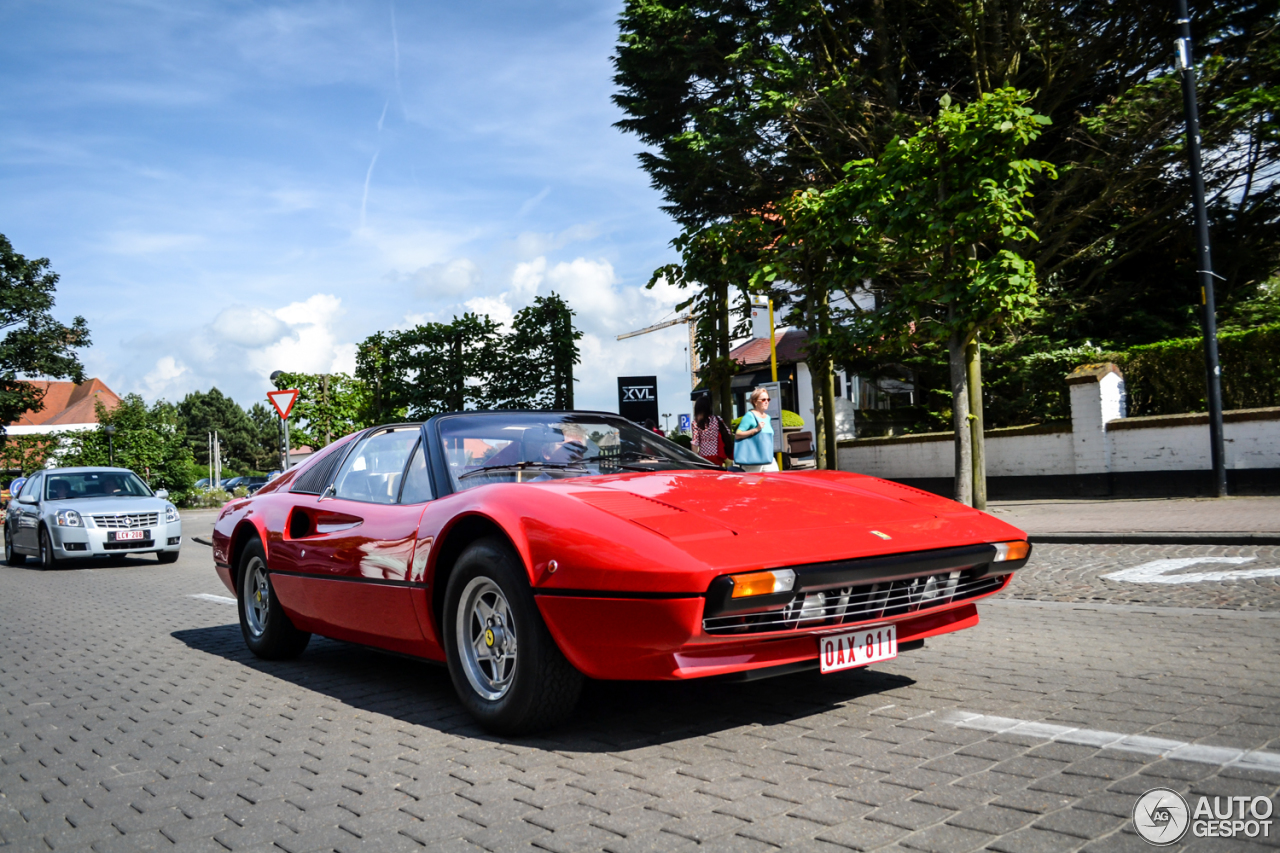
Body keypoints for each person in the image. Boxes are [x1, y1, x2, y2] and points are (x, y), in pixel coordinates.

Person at [734, 387, 779, 472]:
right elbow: (737, 435)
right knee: (753, 484)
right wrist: (756, 429)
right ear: (755, 402)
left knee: (774, 481)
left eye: (768, 399)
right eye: (763, 400)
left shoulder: (768, 417)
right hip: (754, 460)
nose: (766, 402)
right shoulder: (749, 416)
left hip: (768, 458)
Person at [691, 394, 732, 467]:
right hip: (718, 454)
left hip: (704, 456)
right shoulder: (717, 419)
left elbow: (695, 442)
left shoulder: (696, 423)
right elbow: (728, 432)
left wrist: (694, 458)